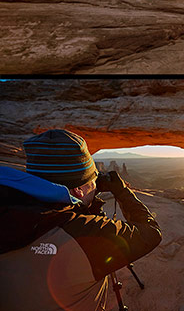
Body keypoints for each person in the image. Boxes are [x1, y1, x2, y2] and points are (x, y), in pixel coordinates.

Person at [0, 129, 162, 311]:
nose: (96, 184)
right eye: (93, 180)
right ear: (78, 191)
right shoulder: (85, 233)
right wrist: (121, 190)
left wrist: (82, 202)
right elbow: (151, 233)